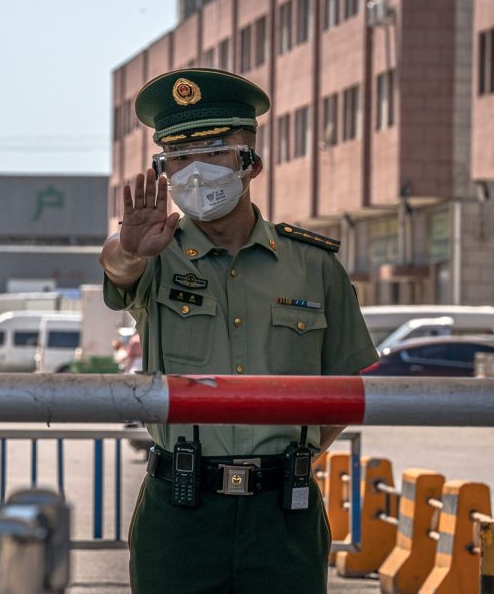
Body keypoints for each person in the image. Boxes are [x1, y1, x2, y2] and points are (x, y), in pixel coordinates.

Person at [99, 68, 377, 593]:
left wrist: (296, 454)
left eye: (214, 151)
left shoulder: (313, 264)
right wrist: (130, 248)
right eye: (179, 157)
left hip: (283, 512)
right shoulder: (155, 252)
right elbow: (117, 270)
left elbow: (346, 384)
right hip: (181, 509)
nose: (195, 171)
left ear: (251, 162)